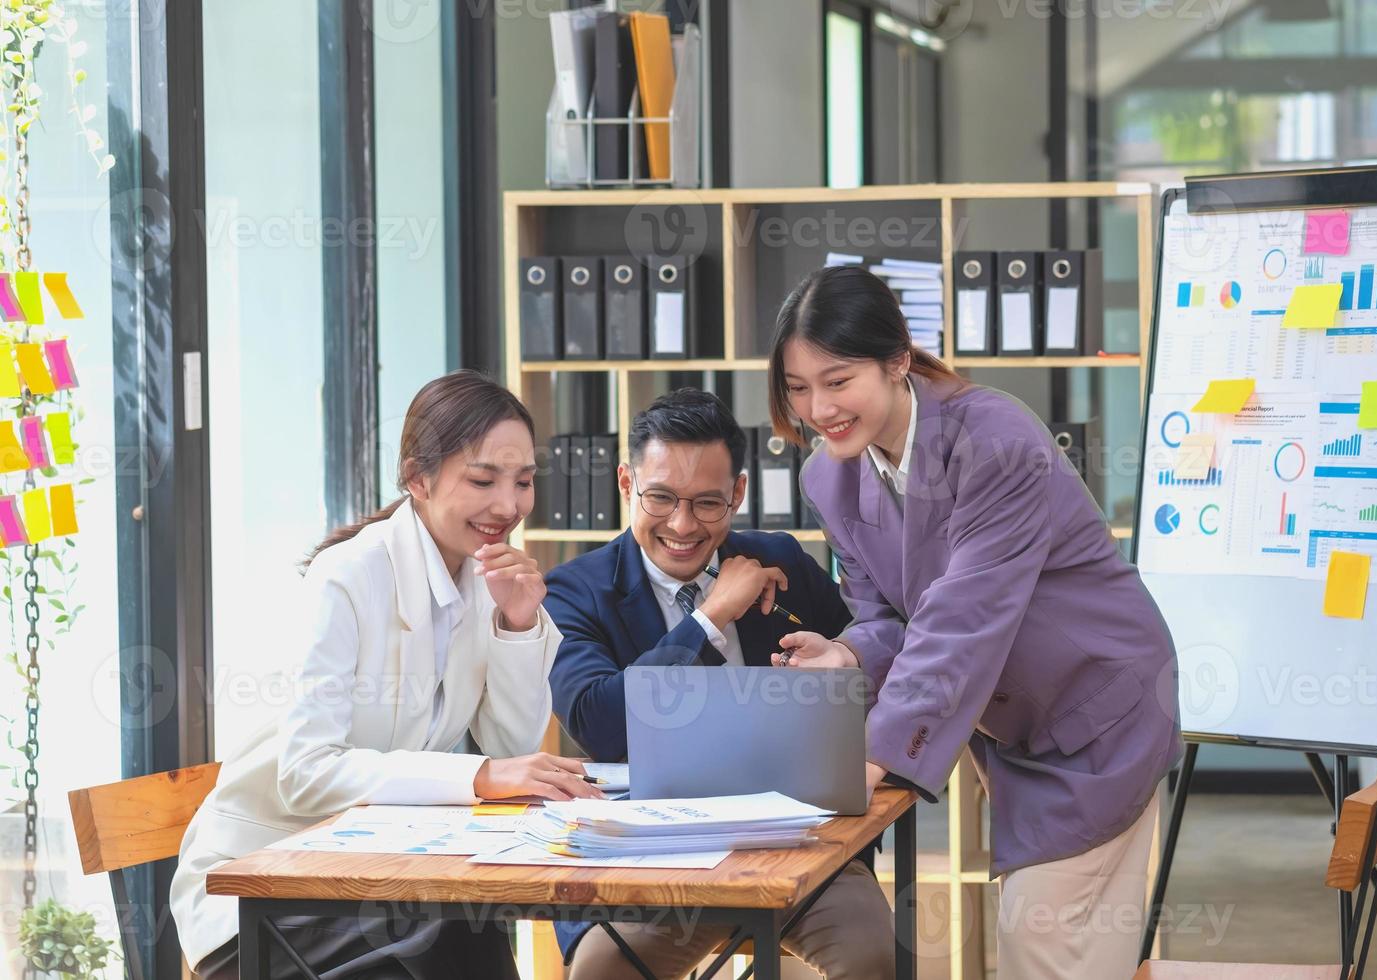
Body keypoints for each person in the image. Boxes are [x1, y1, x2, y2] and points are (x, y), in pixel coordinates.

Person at [768, 265, 1183, 980]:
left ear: (897, 361)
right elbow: (889, 615)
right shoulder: (828, 476)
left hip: (1103, 712)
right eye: (798, 388)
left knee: (1043, 947)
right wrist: (847, 653)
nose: (818, 408)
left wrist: (867, 762)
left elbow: (965, 616)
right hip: (1016, 733)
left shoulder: (994, 440)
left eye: (837, 382)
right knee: (1050, 947)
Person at [171, 370, 599, 980]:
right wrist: (478, 774)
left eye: (524, 482)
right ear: (417, 478)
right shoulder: (345, 578)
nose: (509, 506)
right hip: (263, 893)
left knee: (458, 927)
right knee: (442, 935)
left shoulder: (486, 580)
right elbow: (304, 777)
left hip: (377, 877)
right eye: (483, 479)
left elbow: (510, 751)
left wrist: (517, 625)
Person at [543, 388, 895, 980]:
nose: (682, 525)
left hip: (792, 842)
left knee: (870, 955)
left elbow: (873, 669)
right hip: (648, 859)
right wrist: (709, 619)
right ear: (627, 484)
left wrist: (836, 664)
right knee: (602, 971)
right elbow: (599, 721)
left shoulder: (779, 558)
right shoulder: (577, 588)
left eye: (707, 503)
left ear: (737, 494)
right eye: (660, 498)